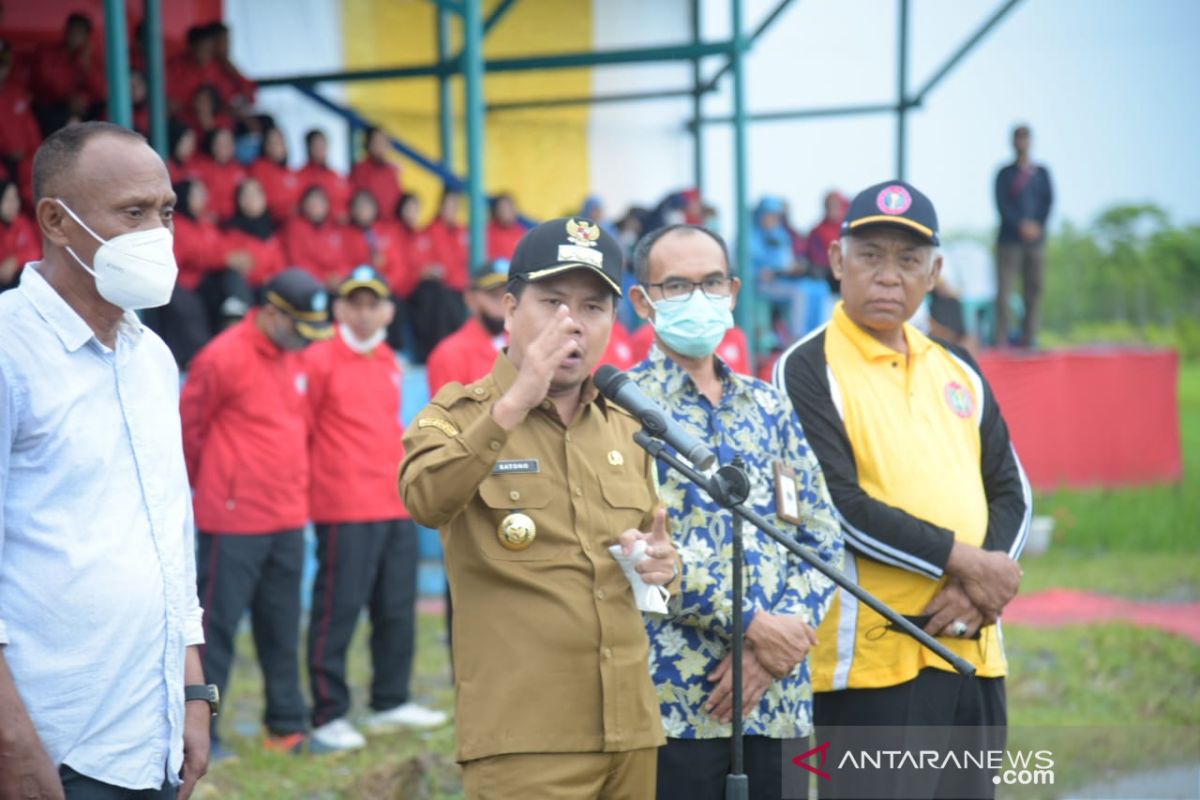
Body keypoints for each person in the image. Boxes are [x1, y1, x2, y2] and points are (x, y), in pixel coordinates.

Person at [399, 217, 680, 799]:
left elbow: (647, 560)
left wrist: (660, 568)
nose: (572, 322)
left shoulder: (628, 424)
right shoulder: (457, 414)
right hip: (525, 737)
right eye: (552, 301)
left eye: (594, 307)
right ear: (508, 308)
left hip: (630, 728)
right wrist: (517, 399)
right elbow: (425, 501)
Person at [772, 180, 1031, 799]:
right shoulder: (807, 367)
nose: (889, 276)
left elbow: (1011, 489)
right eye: (870, 256)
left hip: (974, 646)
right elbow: (838, 506)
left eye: (909, 260)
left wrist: (984, 589)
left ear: (935, 271)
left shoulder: (958, 366)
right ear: (837, 262)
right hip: (874, 664)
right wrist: (970, 565)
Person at [0, 121, 211, 799]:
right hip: (51, 747)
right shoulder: (9, 353)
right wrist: (13, 746)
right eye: (133, 213)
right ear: (58, 222)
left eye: (167, 212)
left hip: (147, 736)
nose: (159, 233)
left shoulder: (150, 356)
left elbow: (168, 537)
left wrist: (194, 689)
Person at [626, 224, 843, 800]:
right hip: (675, 703)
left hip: (780, 702)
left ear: (734, 290)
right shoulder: (621, 410)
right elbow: (632, 550)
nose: (698, 298)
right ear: (643, 301)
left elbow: (820, 534)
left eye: (711, 282)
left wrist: (780, 643)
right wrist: (752, 626)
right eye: (677, 286)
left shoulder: (769, 405)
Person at [180, 268, 333, 756]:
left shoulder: (298, 357)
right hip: (233, 522)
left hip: (287, 517)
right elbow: (189, 433)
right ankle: (208, 732)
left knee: (282, 629)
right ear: (270, 313)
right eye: (297, 328)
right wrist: (220, 490)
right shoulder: (222, 357)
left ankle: (285, 727)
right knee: (215, 634)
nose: (304, 341)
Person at [303, 266, 448, 753]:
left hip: (393, 503)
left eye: (374, 304)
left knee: (395, 609)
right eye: (355, 303)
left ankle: (390, 699)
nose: (364, 314)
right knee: (337, 611)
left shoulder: (390, 359)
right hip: (343, 505)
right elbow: (303, 430)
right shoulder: (319, 359)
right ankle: (329, 712)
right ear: (340, 308)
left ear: (388, 310)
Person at [994, 124, 1053, 347]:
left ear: (1031, 141)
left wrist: (1037, 225)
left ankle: (1030, 338)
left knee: (1034, 289)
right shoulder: (1004, 174)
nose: (1021, 142)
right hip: (1009, 239)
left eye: (1025, 138)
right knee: (1004, 292)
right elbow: (1001, 204)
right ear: (1012, 142)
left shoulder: (1041, 173)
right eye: (1018, 138)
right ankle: (1001, 339)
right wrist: (1019, 224)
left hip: (1036, 241)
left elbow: (1048, 202)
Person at [426, 258, 509, 395]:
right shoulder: (450, 354)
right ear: (470, 298)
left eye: (509, 296)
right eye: (494, 295)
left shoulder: (524, 344)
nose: (502, 304)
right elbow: (446, 414)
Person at [408, 189, 468, 363]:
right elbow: (420, 264)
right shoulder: (429, 231)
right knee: (439, 298)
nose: (453, 209)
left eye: (456, 205)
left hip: (459, 288)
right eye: (449, 204)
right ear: (441, 206)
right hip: (440, 289)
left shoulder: (463, 232)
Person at [29, 13, 106, 135]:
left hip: (82, 108)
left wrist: (86, 65)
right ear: (66, 31)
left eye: (80, 33)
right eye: (73, 31)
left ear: (87, 37)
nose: (75, 36)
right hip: (54, 107)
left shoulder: (90, 58)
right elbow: (46, 84)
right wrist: (69, 98)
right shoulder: (47, 53)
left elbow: (101, 91)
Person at [223, 177, 287, 289]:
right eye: (246, 195)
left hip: (276, 287)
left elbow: (281, 264)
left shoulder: (273, 227)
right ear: (238, 200)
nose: (251, 199)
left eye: (256, 194)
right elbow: (241, 268)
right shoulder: (231, 231)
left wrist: (274, 279)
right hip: (249, 290)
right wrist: (263, 279)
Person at [283, 185, 350, 287]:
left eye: (320, 202)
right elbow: (298, 261)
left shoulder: (335, 227)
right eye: (311, 202)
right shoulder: (296, 227)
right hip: (308, 283)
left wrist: (339, 276)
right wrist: (324, 278)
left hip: (337, 282)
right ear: (303, 205)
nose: (315, 206)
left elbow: (344, 259)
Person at [191, 128, 245, 222]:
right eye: (220, 143)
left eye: (228, 143)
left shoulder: (240, 170)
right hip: (207, 221)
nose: (224, 147)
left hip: (235, 222)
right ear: (213, 146)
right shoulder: (200, 168)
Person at [297, 129, 351, 222]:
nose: (320, 149)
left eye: (323, 144)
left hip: (341, 229)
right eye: (316, 145)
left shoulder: (336, 176)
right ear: (309, 147)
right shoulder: (300, 176)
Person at [249, 126, 301, 223]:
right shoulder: (259, 167)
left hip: (295, 220)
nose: (276, 146)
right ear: (265, 146)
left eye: (280, 141)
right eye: (272, 142)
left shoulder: (291, 172)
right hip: (271, 221)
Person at [349, 126, 402, 221]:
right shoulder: (360, 169)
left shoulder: (392, 171)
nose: (380, 146)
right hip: (368, 226)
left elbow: (399, 201)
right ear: (368, 144)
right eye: (377, 142)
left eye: (384, 142)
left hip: (391, 227)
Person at [0, 178, 38, 290]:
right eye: (7, 200)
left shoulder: (22, 223)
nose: (13, 204)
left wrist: (15, 261)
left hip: (19, 282)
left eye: (15, 198)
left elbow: (35, 252)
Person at [485, 192, 525, 261]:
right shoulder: (486, 231)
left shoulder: (521, 233)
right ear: (496, 211)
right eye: (502, 208)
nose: (505, 211)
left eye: (509, 208)